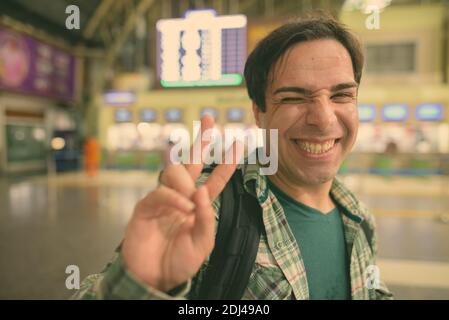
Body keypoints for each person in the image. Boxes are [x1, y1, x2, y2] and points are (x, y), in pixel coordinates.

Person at [72, 13, 393, 300]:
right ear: (259, 112)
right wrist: (142, 283)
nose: (323, 119)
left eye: (341, 95)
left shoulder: (359, 218)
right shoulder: (206, 208)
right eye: (294, 97)